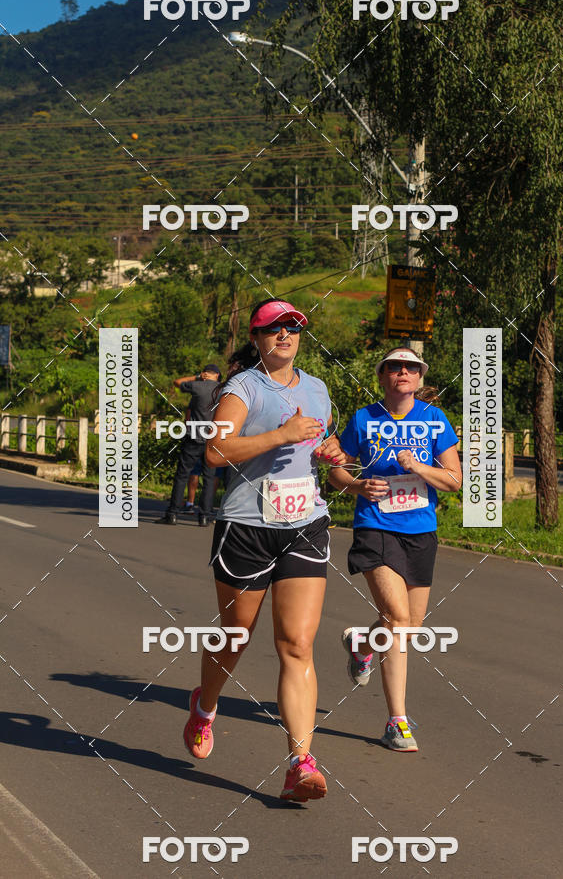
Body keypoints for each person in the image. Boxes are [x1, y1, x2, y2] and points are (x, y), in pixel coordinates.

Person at [182, 299, 343, 803]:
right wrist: (279, 434)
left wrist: (330, 452)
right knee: (235, 636)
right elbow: (215, 450)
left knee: (296, 644)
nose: (285, 335)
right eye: (274, 329)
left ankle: (301, 762)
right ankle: (205, 705)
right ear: (256, 338)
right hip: (248, 527)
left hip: (304, 524)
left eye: (293, 328)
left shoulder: (317, 389)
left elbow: (320, 444)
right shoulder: (243, 388)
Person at [328, 347, 461, 753]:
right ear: (382, 377)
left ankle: (362, 645)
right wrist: (355, 485)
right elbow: (336, 470)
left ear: (419, 379)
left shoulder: (434, 419)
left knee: (407, 627)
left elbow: (454, 480)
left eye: (410, 368)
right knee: (398, 619)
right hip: (375, 526)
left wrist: (419, 467)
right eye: (394, 368)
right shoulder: (363, 419)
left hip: (421, 531)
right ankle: (396, 722)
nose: (402, 373)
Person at [158, 364, 221, 527]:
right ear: (218, 376)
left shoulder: (197, 386)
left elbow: (177, 382)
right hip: (212, 439)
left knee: (182, 475)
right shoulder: (223, 390)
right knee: (208, 478)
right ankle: (205, 517)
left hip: (193, 437)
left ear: (205, 374)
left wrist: (197, 377)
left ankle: (172, 514)